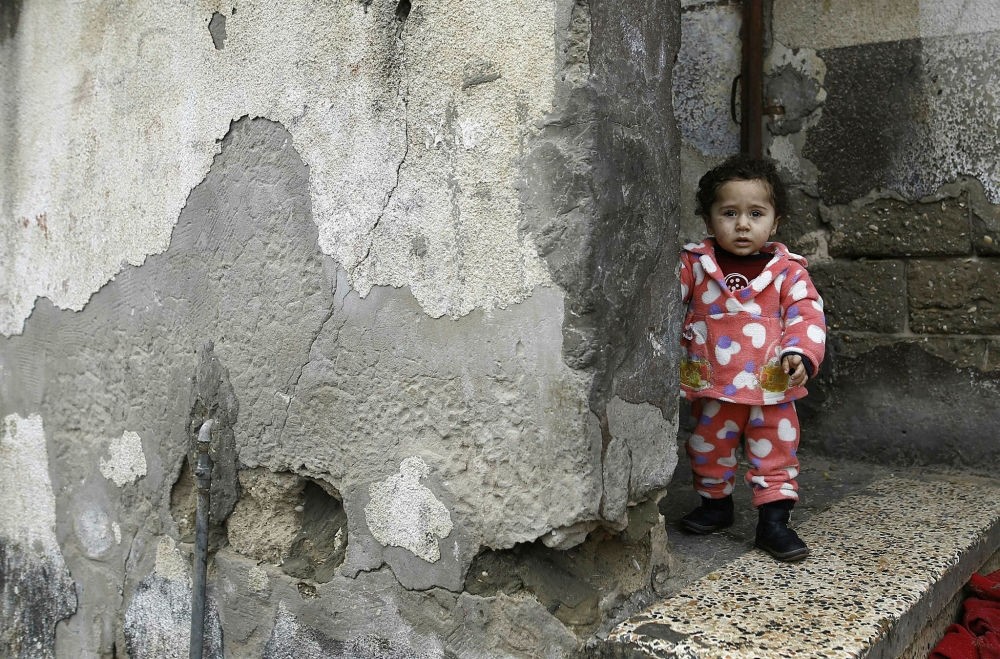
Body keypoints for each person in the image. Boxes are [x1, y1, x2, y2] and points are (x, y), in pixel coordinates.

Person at [677, 154, 826, 562]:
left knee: (776, 453)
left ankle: (774, 523)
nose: (742, 224)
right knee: (707, 446)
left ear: (774, 222)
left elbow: (807, 314)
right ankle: (715, 505)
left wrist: (800, 352)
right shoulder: (695, 265)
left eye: (755, 213)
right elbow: (666, 301)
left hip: (771, 386)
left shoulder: (788, 272)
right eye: (729, 213)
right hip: (715, 383)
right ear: (709, 221)